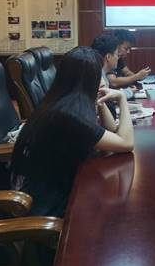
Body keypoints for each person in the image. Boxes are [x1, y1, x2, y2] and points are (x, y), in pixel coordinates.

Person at [10, 46, 134, 218]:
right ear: (87, 79)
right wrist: (122, 99)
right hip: (56, 206)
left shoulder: (66, 101)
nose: (103, 80)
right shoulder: (70, 115)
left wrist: (99, 101)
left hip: (70, 189)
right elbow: (126, 143)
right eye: (98, 75)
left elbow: (111, 129)